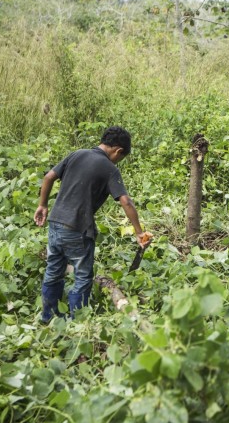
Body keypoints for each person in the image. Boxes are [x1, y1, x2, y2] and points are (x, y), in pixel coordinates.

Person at [34, 126, 150, 322]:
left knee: (53, 271)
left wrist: (42, 205)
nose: (118, 161)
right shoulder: (109, 168)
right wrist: (139, 232)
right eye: (120, 158)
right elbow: (126, 201)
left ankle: (48, 317)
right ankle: (77, 322)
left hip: (55, 222)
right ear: (118, 151)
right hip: (78, 228)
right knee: (82, 277)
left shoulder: (76, 154)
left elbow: (48, 177)